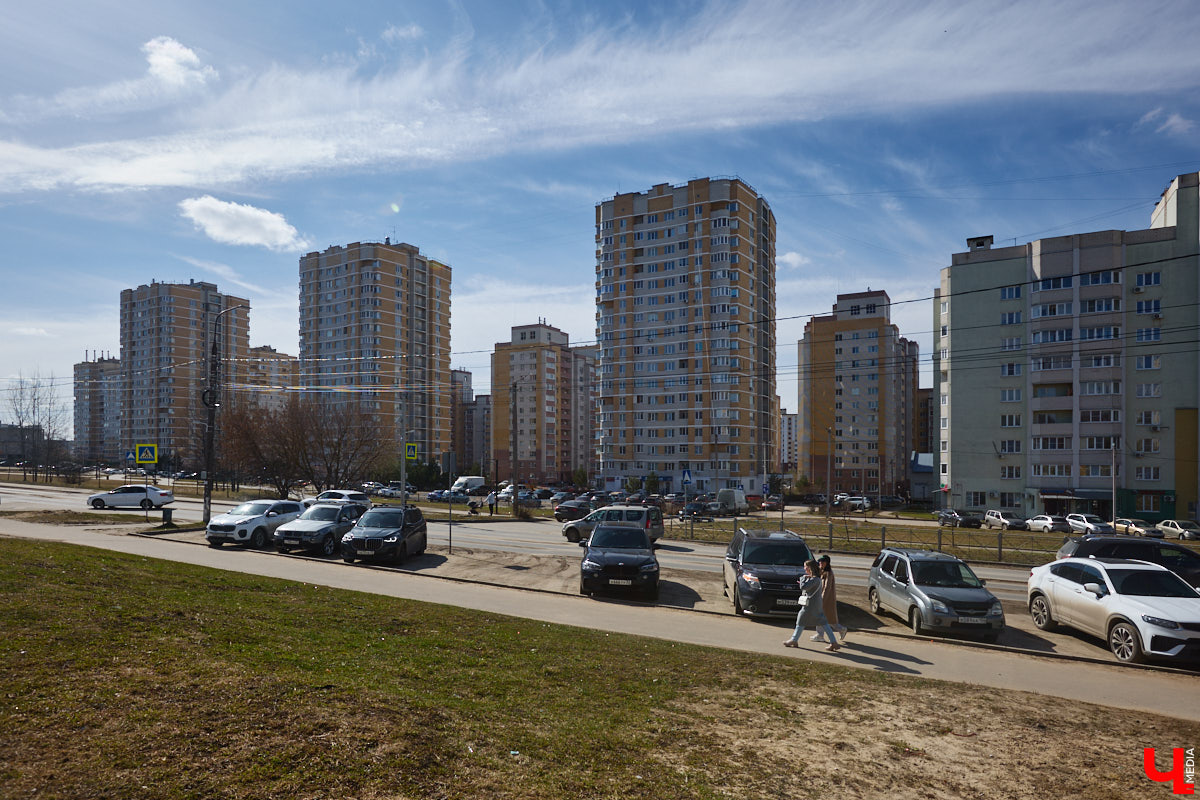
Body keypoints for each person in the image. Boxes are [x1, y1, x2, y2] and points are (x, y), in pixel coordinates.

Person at [783, 559, 840, 651]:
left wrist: (802, 578)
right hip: (816, 604)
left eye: (805, 566)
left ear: (810, 568)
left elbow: (803, 587)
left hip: (810, 604)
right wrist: (806, 579)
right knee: (823, 622)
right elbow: (807, 588)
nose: (804, 568)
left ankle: (794, 640)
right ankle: (834, 642)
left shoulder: (814, 579)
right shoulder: (815, 579)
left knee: (801, 620)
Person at [811, 554, 848, 643]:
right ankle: (840, 630)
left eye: (822, 562)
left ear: (827, 563)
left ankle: (822, 635)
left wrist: (822, 599)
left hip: (826, 599)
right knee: (826, 618)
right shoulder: (822, 571)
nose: (820, 563)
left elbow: (827, 587)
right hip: (823, 598)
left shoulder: (829, 573)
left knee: (824, 617)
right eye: (819, 561)